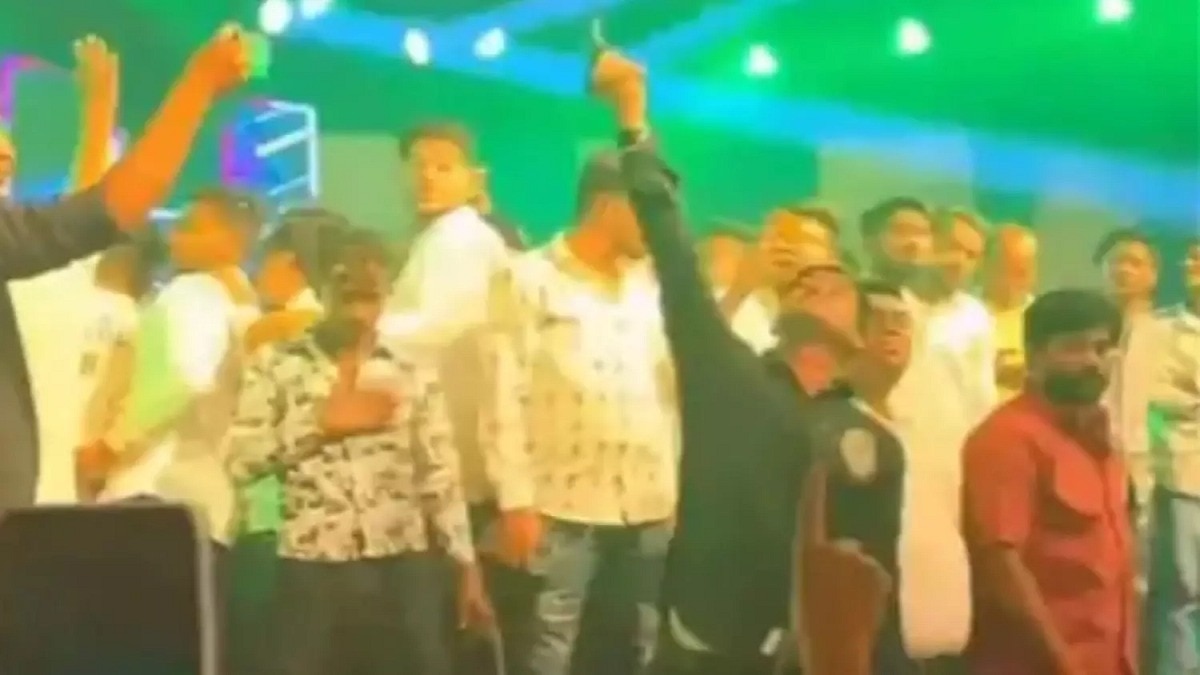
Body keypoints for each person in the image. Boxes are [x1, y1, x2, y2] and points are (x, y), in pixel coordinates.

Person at [586, 46, 876, 675]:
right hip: (705, 651)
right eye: (799, 276)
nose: (810, 280)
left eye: (831, 279)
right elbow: (672, 249)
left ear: (863, 332)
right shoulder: (730, 377)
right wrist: (634, 117)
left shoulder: (869, 432)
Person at [3, 24, 250, 512]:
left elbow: (85, 212)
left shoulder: (39, 264)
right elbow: (109, 206)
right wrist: (199, 85)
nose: (6, 157)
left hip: (49, 501)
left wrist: (100, 111)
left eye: (8, 153)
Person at [226, 228, 490, 675]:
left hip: (400, 563)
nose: (359, 312)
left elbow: (439, 476)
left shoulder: (409, 370)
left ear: (387, 294)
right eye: (347, 295)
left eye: (370, 297)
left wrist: (467, 567)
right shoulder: (279, 364)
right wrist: (318, 426)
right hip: (311, 563)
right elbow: (239, 458)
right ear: (323, 290)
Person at [481, 151, 678, 675]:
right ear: (608, 204)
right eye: (649, 210)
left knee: (643, 645)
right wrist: (516, 502)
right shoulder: (527, 278)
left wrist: (677, 487)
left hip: (649, 503)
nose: (659, 226)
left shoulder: (654, 284)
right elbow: (502, 392)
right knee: (548, 650)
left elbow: (672, 394)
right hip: (558, 506)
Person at [795, 281, 970, 674]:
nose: (891, 329)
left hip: (946, 647)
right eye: (875, 318)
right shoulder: (822, 426)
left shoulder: (934, 424)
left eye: (901, 321)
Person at [963, 289, 1137, 675]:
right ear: (1035, 355)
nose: (1092, 361)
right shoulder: (1006, 438)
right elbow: (1001, 567)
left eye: (1102, 348)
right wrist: (1063, 664)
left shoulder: (1102, 441)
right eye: (1074, 348)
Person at [1146, 235, 1200, 675]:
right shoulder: (1158, 330)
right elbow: (1154, 400)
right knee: (1182, 594)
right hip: (1183, 476)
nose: (1193, 265)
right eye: (1192, 258)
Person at [1096, 227, 1167, 506]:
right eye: (1115, 261)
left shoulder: (1169, 334)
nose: (1123, 270)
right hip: (1095, 460)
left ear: (1153, 275)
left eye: (1135, 263)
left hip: (1156, 470)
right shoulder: (1085, 333)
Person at [717, 205, 841, 354]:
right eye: (774, 238)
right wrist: (739, 291)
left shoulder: (847, 312)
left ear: (831, 257)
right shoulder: (726, 304)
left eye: (801, 239)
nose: (782, 247)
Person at [981, 224, 1038, 401]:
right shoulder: (962, 315)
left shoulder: (1044, 317)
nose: (1021, 275)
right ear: (987, 265)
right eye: (1009, 265)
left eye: (1026, 265)